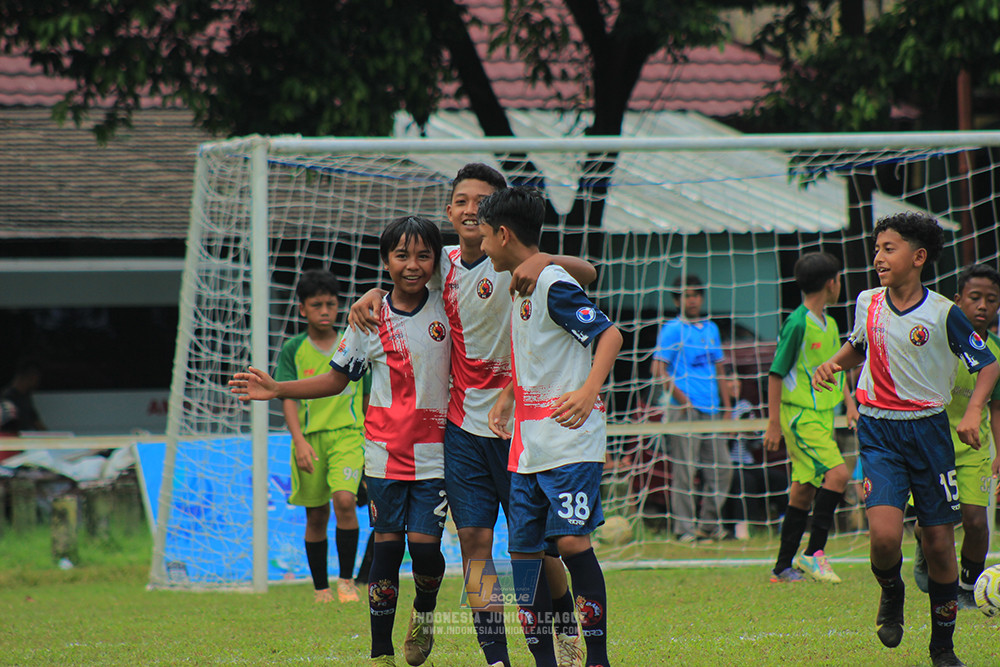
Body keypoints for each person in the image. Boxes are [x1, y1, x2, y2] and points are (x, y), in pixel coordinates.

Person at [349, 163, 597, 667]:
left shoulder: (516, 261)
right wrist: (371, 295)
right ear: (449, 210)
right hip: (462, 428)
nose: (470, 210)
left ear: (497, 219)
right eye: (461, 200)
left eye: (480, 202)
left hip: (521, 427)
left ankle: (564, 622)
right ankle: (496, 657)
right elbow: (402, 281)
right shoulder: (439, 262)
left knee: (540, 550)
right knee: (475, 544)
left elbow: (588, 273)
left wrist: (544, 257)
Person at [231, 215, 451, 667]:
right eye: (402, 255)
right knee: (387, 548)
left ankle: (424, 612)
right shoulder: (368, 320)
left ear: (437, 261)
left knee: (426, 552)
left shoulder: (450, 307)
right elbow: (335, 379)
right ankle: (380, 651)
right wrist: (279, 388)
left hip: (438, 455)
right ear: (386, 261)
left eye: (423, 255)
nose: (412, 264)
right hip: (385, 455)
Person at [812, 212, 999, 667]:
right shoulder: (867, 301)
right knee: (883, 537)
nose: (878, 257)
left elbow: (988, 364)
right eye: (876, 249)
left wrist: (973, 410)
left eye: (888, 248)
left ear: (918, 257)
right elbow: (860, 344)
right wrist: (834, 363)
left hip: (929, 432)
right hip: (879, 431)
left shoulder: (943, 313)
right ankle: (891, 592)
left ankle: (943, 648)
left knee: (938, 544)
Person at [480, 186, 622, 667]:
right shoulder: (523, 282)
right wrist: (509, 395)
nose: (481, 244)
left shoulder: (551, 282)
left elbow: (610, 334)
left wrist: (587, 390)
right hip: (528, 446)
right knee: (524, 556)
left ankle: (596, 658)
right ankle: (544, 662)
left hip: (568, 441)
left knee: (570, 542)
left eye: (485, 234)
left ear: (503, 234)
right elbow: (541, 353)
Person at [274, 269, 369, 603]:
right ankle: (321, 589)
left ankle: (346, 582)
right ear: (303, 309)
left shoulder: (353, 342)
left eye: (331, 304)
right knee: (316, 515)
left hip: (349, 436)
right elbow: (287, 397)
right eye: (317, 305)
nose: (325, 311)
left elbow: (367, 394)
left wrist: (371, 438)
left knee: (345, 501)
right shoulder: (293, 349)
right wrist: (299, 440)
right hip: (310, 440)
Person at [764, 252, 859, 584]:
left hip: (823, 417)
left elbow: (835, 369)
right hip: (800, 417)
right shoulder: (797, 323)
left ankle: (782, 568)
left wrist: (849, 403)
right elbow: (776, 373)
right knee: (839, 474)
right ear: (831, 283)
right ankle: (814, 552)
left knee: (803, 490)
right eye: (839, 278)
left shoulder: (829, 324)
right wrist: (773, 423)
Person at [912, 263, 1000, 609]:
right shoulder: (936, 342)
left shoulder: (996, 352)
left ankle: (968, 587)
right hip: (933, 444)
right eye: (975, 297)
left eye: (991, 299)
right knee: (935, 523)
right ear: (957, 300)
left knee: (976, 521)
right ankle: (922, 544)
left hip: (974, 447)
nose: (983, 306)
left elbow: (997, 408)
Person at [651, 275, 732, 543]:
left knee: (723, 468)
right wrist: (682, 399)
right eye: (686, 295)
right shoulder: (672, 329)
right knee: (685, 472)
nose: (693, 300)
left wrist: (727, 407)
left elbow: (720, 369)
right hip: (685, 411)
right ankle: (684, 530)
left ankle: (708, 525)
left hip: (713, 411)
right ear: (677, 301)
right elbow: (658, 369)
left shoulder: (711, 328)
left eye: (696, 294)